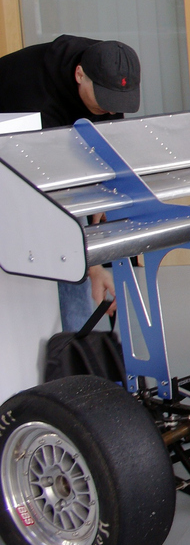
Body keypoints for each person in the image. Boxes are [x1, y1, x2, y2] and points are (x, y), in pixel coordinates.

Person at [0, 34, 141, 331]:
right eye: (104, 100)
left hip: (46, 141)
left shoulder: (108, 65)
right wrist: (94, 267)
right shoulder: (37, 100)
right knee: (69, 246)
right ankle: (74, 348)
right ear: (79, 75)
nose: (111, 109)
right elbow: (58, 196)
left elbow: (104, 153)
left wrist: (105, 198)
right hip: (15, 139)